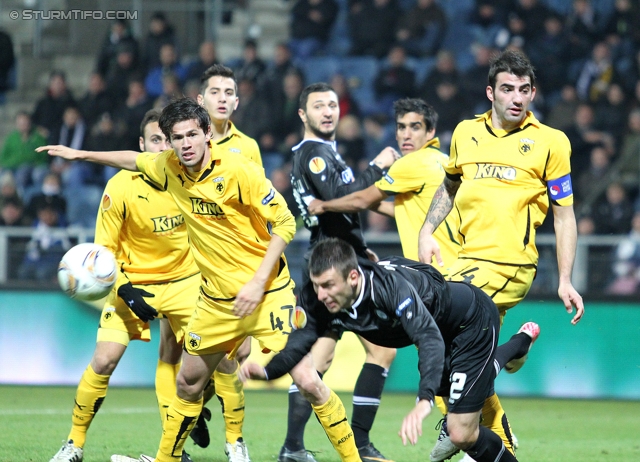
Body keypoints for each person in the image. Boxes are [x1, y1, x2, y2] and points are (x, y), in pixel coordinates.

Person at [40, 97, 362, 462]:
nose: (186, 144)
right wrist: (80, 155)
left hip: (267, 292)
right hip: (215, 301)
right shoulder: (168, 166)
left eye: (193, 134)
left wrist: (258, 282)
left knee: (306, 379)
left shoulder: (240, 171)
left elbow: (285, 223)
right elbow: (132, 160)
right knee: (188, 382)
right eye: (177, 138)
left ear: (208, 133)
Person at [417, 50, 585, 462]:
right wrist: (426, 229)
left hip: (511, 265)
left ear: (532, 93)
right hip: (467, 259)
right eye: (507, 89)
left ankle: (464, 427)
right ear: (490, 91)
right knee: (461, 351)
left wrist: (565, 278)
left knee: (436, 330)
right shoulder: (464, 133)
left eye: (524, 90)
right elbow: (450, 185)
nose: (517, 98)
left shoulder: (550, 142)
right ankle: (512, 356)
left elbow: (565, 216)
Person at [241, 237, 540, 462]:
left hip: (470, 322)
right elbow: (300, 344)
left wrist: (424, 400)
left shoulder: (390, 289)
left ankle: (515, 346)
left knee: (462, 432)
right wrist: (268, 371)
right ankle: (519, 344)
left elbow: (428, 339)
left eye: (328, 285)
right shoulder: (322, 296)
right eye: (317, 285)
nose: (321, 295)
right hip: (440, 325)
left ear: (354, 277)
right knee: (468, 386)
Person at [48, 109, 199, 462]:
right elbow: (104, 255)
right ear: (142, 145)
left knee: (202, 369)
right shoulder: (118, 188)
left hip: (184, 285)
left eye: (168, 139)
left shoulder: (188, 179)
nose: (163, 146)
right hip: (132, 284)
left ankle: (182, 449)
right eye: (156, 139)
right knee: (103, 360)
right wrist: (127, 289)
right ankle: (74, 444)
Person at [284, 82, 398, 462]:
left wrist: (357, 245)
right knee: (380, 351)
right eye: (319, 106)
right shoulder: (315, 153)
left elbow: (335, 208)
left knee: (320, 358)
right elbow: (346, 196)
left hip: (333, 255)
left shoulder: (320, 152)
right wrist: (380, 164)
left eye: (333, 105)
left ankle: (294, 447)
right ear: (303, 115)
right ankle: (358, 444)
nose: (329, 112)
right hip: (332, 266)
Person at [308, 98, 459, 267]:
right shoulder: (444, 159)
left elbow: (361, 200)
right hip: (456, 263)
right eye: (401, 127)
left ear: (430, 132)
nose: (406, 135)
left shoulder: (412, 162)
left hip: (437, 268)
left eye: (415, 127)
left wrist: (324, 205)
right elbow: (408, 210)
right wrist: (371, 202)